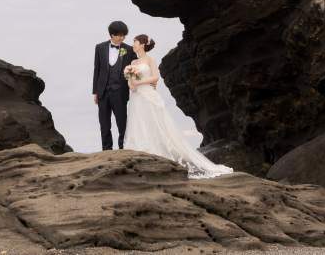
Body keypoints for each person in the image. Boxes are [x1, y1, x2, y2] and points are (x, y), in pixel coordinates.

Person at [123, 34, 233, 178]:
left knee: (153, 122)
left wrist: (139, 82)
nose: (133, 44)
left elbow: (155, 77)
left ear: (142, 44)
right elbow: (130, 79)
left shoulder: (150, 60)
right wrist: (131, 83)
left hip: (148, 94)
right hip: (136, 95)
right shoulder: (133, 61)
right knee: (138, 121)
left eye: (135, 41)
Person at [93, 21, 139, 150]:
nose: (122, 38)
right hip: (103, 91)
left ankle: (123, 149)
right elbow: (97, 69)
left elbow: (137, 65)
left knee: (122, 123)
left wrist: (147, 77)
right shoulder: (100, 47)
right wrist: (96, 92)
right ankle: (107, 150)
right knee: (104, 124)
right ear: (112, 34)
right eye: (120, 35)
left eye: (124, 35)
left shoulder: (128, 49)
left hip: (120, 91)